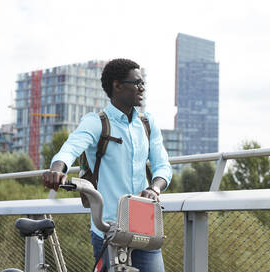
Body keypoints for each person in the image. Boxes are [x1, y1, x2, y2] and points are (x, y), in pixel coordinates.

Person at [42, 58, 172, 272]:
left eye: (143, 83)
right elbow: (70, 147)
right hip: (107, 227)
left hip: (144, 224)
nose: (142, 88)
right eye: (137, 83)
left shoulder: (147, 124)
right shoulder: (96, 122)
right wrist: (57, 169)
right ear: (117, 85)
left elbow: (163, 166)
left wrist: (154, 188)